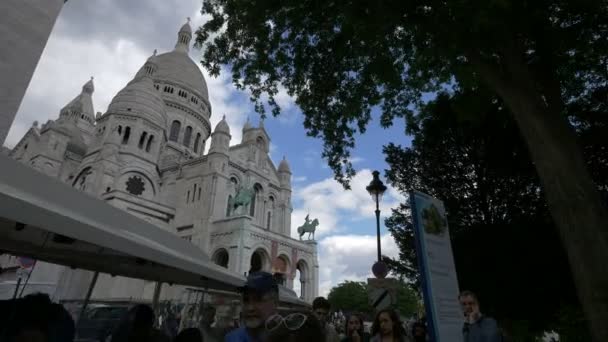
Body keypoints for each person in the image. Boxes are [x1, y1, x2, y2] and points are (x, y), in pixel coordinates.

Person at [225, 272, 279, 342]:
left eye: (258, 299)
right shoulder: (232, 339)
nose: (250, 308)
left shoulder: (289, 338)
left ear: (275, 303)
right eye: (246, 300)